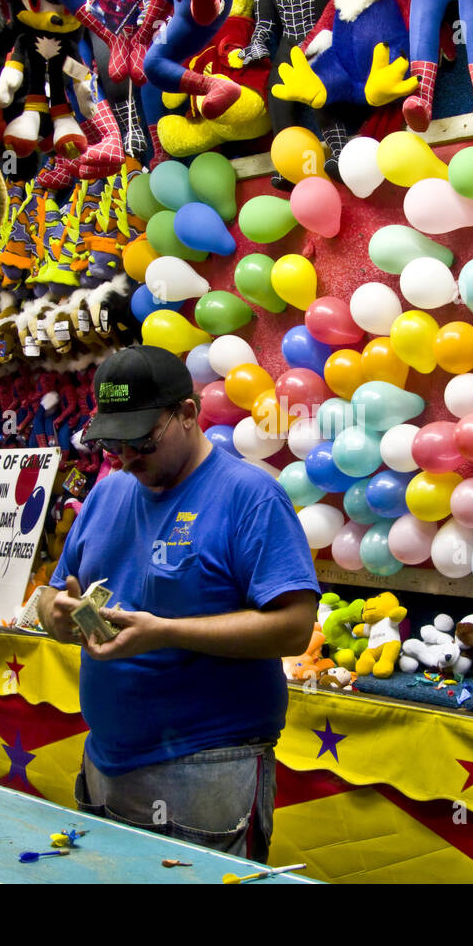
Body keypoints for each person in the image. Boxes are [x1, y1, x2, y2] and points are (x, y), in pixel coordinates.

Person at [39, 345, 319, 861]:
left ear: (188, 414)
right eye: (114, 442)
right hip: (104, 759)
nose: (126, 457)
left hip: (211, 766)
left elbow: (295, 628)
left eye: (141, 439)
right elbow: (54, 592)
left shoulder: (251, 496)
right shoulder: (106, 494)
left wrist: (167, 632)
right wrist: (54, 613)